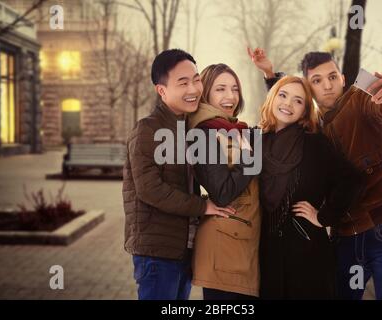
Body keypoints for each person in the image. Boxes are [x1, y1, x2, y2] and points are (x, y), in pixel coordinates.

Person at [249, 47, 382, 300]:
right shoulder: (316, 125)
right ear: (310, 89)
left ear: (343, 78)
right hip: (344, 232)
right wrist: (270, 74)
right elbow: (288, 105)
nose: (327, 85)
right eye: (317, 81)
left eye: (333, 77)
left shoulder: (361, 98)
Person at [123, 49, 235, 300]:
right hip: (157, 253)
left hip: (182, 250)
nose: (193, 89)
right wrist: (202, 206)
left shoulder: (187, 128)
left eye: (196, 80)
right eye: (183, 83)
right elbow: (150, 189)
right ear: (161, 91)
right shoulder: (148, 129)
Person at [257, 75, 363, 299]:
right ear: (272, 97)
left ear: (305, 110)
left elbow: (351, 179)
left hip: (306, 252)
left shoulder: (314, 144)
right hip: (267, 253)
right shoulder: (258, 141)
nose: (287, 104)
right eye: (283, 95)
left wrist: (324, 216)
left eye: (298, 100)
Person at [188, 63, 261, 299]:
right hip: (225, 248)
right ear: (206, 93)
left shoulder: (232, 130)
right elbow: (222, 192)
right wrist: (253, 155)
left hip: (240, 241)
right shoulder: (205, 133)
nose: (230, 96)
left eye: (234, 89)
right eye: (220, 89)